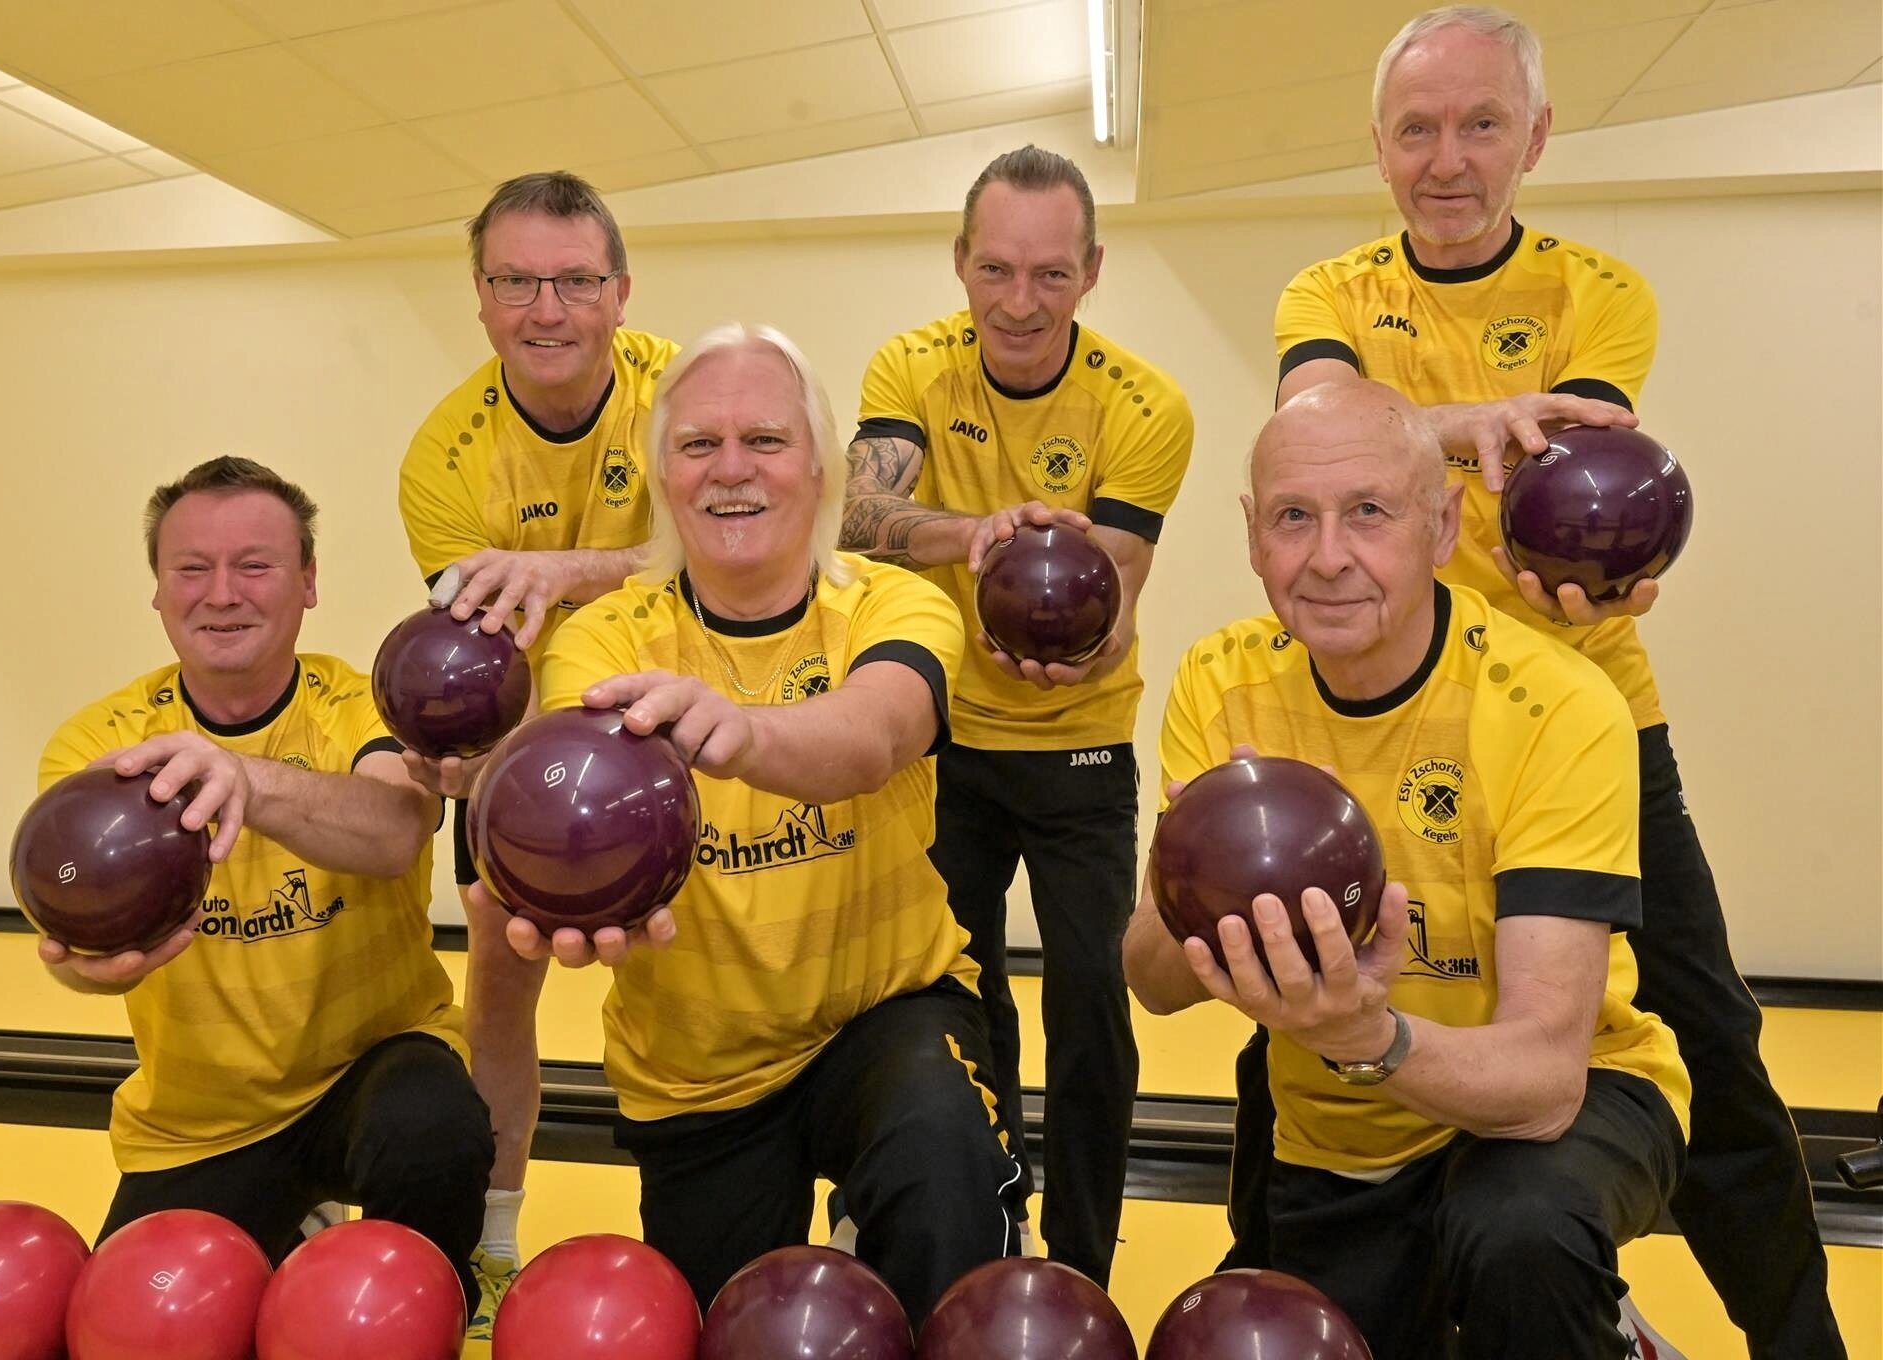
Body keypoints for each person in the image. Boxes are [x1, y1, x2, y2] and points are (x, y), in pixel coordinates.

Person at [1263, 9, 1844, 1354]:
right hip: (1379, 728)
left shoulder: (1600, 291)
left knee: (1709, 1044)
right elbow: (1309, 429)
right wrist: (1460, 431)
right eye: (1418, 129)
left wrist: (1580, 533)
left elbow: (1568, 487)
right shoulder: (1328, 295)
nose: (1449, 159)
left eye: (1480, 126)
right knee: (1310, 1014)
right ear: (1378, 147)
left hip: (1584, 724)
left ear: (1535, 137)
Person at [1124, 382, 1689, 1359]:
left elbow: (1547, 1077)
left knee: (1519, 1239)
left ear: (1442, 527)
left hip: (1567, 1097)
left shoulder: (1555, 701)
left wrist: (1365, 1033)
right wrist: (1206, 896)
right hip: (1336, 1127)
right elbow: (1152, 979)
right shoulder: (1223, 680)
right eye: (1294, 517)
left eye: (1370, 513)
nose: (1329, 557)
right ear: (1254, 535)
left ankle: (1599, 1330)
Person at [474, 324, 1021, 1322]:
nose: (732, 470)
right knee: (732, 1322)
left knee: (947, 1184)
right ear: (665, 477)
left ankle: (899, 1228)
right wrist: (558, 882)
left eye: (764, 441)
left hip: (886, 1009)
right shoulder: (604, 637)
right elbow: (572, 807)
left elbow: (874, 733)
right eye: (698, 444)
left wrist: (737, 732)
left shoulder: (891, 602)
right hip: (697, 1065)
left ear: (819, 469)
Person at [838, 145, 1194, 1283]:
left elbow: (1121, 590)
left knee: (1094, 1003)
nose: (1020, 301)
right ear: (961, 263)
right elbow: (859, 514)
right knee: (961, 986)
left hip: (1079, 744)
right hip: (941, 740)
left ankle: (1082, 1263)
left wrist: (1085, 635)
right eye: (997, 270)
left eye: (1050, 274)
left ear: (1092, 270)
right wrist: (975, 535)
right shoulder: (909, 366)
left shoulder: (1146, 405)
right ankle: (995, 1226)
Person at [35, 456, 491, 1307]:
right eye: (192, 569)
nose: (221, 593)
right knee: (132, 1321)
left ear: (308, 582)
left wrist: (242, 777)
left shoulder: (364, 706)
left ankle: (428, 1302)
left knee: (433, 1125)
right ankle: (295, 1222)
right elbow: (68, 940)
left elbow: (395, 831)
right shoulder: (99, 746)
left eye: (254, 565)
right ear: (158, 591)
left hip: (371, 1072)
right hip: (200, 1123)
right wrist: (88, 969)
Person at [396, 170, 678, 1331]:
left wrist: (569, 570)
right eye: (516, 281)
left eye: (572, 281)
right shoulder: (443, 458)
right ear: (480, 296)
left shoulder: (681, 394)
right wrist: (467, 758)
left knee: (693, 980)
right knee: (498, 983)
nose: (545, 308)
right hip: (528, 745)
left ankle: (740, 1227)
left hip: (679, 721)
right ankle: (495, 1241)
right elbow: (478, 657)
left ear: (619, 290)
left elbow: (738, 557)